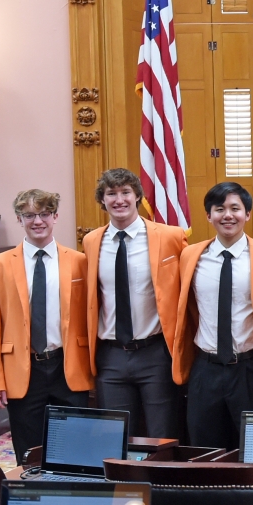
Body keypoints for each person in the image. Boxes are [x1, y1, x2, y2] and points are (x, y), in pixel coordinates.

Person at [0, 189, 92, 460]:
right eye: (29, 215)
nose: (37, 221)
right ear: (19, 219)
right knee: (30, 453)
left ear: (55, 216)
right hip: (23, 369)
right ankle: (33, 496)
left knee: (73, 451)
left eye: (43, 214)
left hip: (67, 366)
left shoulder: (79, 262)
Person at [171, 182, 253, 450]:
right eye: (220, 209)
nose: (227, 215)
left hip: (250, 369)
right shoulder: (191, 256)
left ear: (247, 214)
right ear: (209, 215)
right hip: (205, 369)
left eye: (235, 208)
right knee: (205, 450)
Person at [83, 169, 188, 438]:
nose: (119, 200)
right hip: (111, 355)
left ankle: (162, 480)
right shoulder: (92, 241)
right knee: (116, 435)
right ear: (102, 200)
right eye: (111, 194)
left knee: (163, 435)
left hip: (155, 353)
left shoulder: (170, 237)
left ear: (138, 196)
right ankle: (123, 481)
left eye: (125, 192)